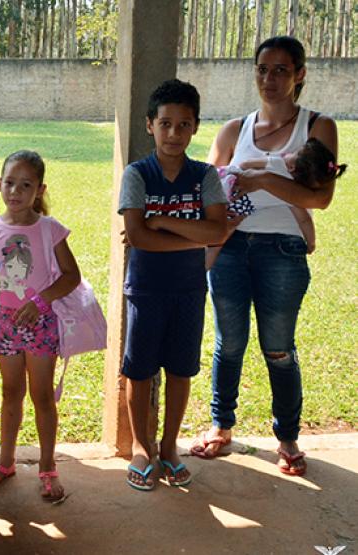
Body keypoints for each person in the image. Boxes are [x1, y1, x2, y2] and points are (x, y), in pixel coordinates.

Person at [191, 36, 341, 477]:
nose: (269, 79)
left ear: (300, 75)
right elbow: (209, 189)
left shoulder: (318, 126)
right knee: (228, 343)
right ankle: (221, 427)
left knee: (278, 347)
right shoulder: (234, 130)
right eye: (261, 69)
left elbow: (322, 198)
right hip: (232, 247)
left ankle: (287, 436)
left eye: (280, 70)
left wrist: (263, 181)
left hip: (283, 249)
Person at [118, 79, 228, 490]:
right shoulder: (137, 174)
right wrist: (191, 233)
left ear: (196, 127)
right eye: (165, 124)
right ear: (150, 125)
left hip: (188, 289)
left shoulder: (205, 176)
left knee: (181, 371)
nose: (174, 134)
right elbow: (137, 238)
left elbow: (216, 233)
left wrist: (162, 221)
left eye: (184, 125)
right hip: (145, 289)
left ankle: (169, 445)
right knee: (139, 370)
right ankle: (142, 447)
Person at [0, 151, 80, 503]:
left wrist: (40, 301)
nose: (15, 191)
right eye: (8, 183)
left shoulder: (50, 229)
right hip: (3, 323)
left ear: (40, 189)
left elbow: (71, 276)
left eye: (25, 185)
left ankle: (48, 467)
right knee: (10, 393)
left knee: (43, 395)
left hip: (41, 323)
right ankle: (5, 463)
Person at [207, 137, 347, 267]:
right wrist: (311, 242)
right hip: (238, 206)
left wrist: (255, 167)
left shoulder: (277, 162)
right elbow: (304, 220)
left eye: (295, 153)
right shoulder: (290, 193)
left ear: (292, 166)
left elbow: (245, 164)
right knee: (217, 243)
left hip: (228, 182)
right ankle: (204, 267)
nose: (289, 153)